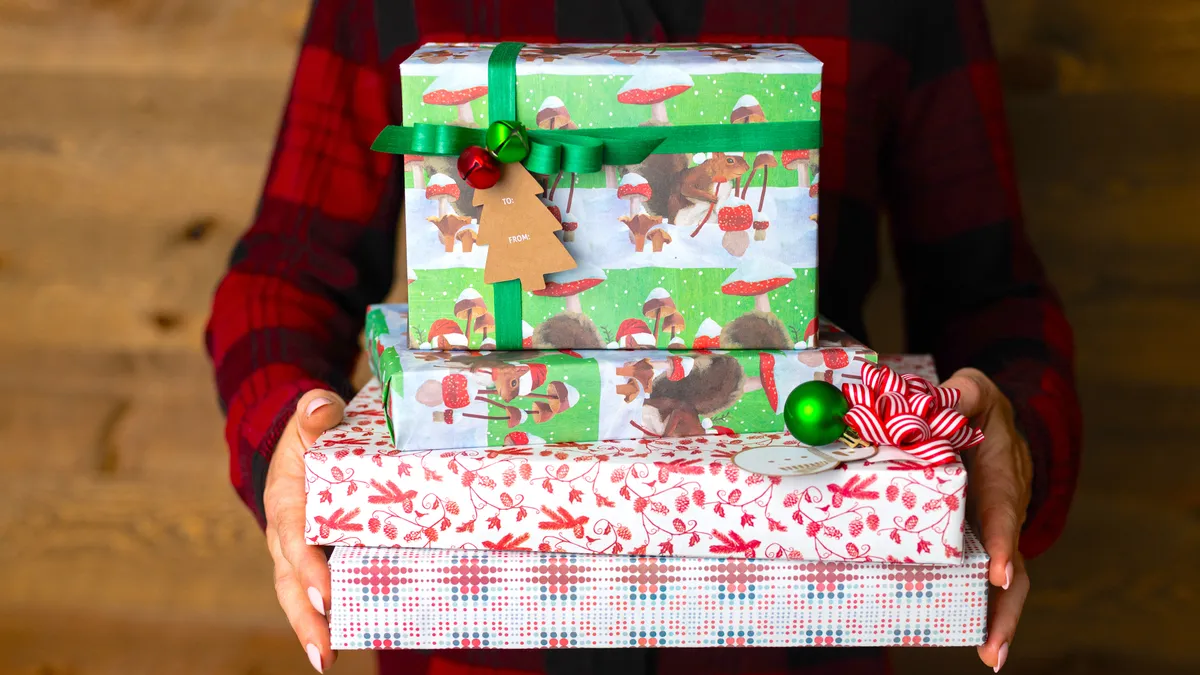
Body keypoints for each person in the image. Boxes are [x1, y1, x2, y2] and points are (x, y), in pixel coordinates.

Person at [205, 1, 1082, 673]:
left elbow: (992, 295)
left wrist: (1016, 443)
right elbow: (283, 272)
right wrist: (286, 426)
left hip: (804, 627)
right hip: (470, 650)